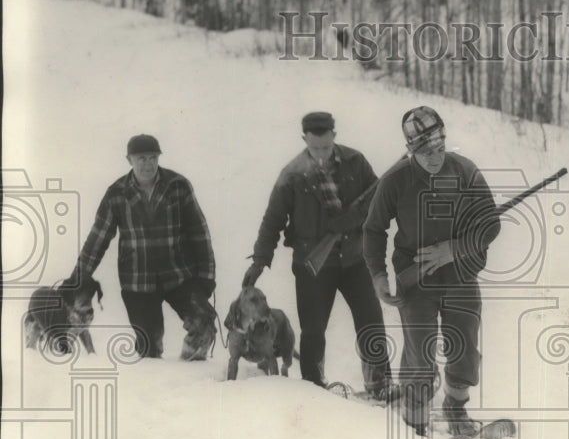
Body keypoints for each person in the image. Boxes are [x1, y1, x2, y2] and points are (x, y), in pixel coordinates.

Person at [363, 106, 500, 437]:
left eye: (440, 149)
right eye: (426, 152)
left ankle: (456, 407)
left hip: (461, 276)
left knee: (464, 346)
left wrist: (452, 249)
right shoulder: (395, 180)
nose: (436, 157)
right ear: (411, 150)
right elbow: (373, 229)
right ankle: (416, 417)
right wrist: (379, 276)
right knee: (418, 350)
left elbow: (491, 224)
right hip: (416, 278)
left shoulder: (465, 170)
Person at [243, 111, 392, 396]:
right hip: (312, 265)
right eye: (315, 147)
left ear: (334, 136)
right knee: (313, 330)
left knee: (371, 320)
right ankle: (314, 388)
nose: (322, 153)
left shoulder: (355, 161)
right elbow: (272, 220)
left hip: (353, 259)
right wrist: (261, 260)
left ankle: (380, 384)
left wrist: (355, 218)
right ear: (304, 140)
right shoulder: (291, 174)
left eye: (326, 146)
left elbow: (378, 196)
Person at [69, 134, 217, 360]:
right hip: (138, 281)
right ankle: (154, 386)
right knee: (149, 347)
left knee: (204, 322)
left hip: (178, 274)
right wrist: (78, 277)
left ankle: (191, 375)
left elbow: (200, 232)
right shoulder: (116, 194)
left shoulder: (178, 186)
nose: (148, 164)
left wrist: (206, 275)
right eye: (141, 158)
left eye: (152, 157)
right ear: (129, 160)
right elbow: (98, 239)